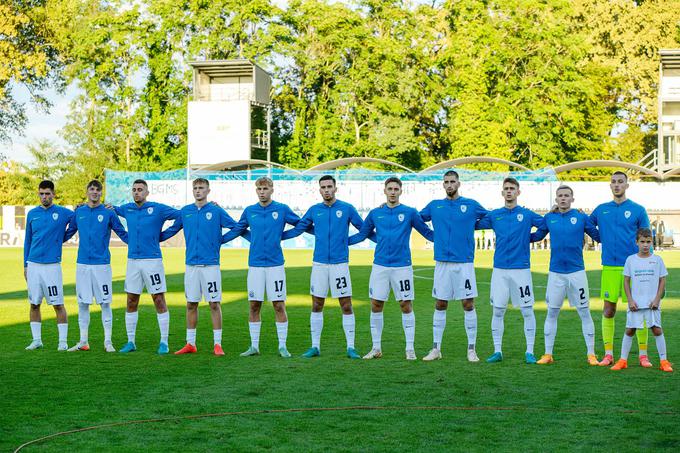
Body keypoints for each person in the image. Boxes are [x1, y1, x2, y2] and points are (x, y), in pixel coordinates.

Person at [281, 175, 366, 359]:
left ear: (336, 188)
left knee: (346, 304)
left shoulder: (347, 209)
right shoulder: (314, 210)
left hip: (340, 264)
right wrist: (276, 236)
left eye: (329, 186)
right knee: (317, 304)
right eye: (323, 187)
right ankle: (315, 347)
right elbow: (299, 229)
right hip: (319, 264)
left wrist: (346, 242)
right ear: (319, 190)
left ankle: (351, 347)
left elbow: (364, 229)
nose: (326, 190)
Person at [349, 177, 434, 360]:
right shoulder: (375, 213)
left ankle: (410, 348)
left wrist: (447, 239)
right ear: (385, 190)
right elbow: (363, 234)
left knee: (405, 304)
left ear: (401, 191)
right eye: (390, 188)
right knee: (376, 304)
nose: (393, 191)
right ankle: (376, 348)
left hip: (402, 266)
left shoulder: (410, 212)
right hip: (380, 265)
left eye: (396, 188)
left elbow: (426, 232)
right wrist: (342, 243)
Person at [160, 178, 244, 356]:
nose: (198, 191)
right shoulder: (186, 211)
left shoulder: (216, 211)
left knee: (214, 303)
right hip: (191, 266)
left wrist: (220, 241)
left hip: (210, 266)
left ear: (208, 190)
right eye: (195, 188)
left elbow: (236, 227)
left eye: (201, 188)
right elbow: (172, 230)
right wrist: (154, 238)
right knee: (191, 303)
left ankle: (218, 344)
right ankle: (190, 343)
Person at [222, 176, 301, 358]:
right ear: (256, 190)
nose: (262, 192)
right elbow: (238, 229)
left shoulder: (281, 209)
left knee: (279, 305)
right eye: (259, 189)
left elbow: (301, 225)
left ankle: (282, 346)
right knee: (254, 305)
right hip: (255, 265)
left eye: (265, 189)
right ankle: (254, 346)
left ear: (272, 189)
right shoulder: (250, 211)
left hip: (275, 265)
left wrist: (281, 237)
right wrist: (220, 240)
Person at [419, 170, 488, 362]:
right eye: (446, 182)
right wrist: (432, 236)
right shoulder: (435, 206)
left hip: (464, 263)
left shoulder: (471, 205)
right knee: (440, 303)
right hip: (442, 263)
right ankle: (435, 349)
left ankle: (471, 349)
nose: (449, 185)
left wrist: (470, 227)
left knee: (468, 304)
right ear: (443, 185)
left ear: (459, 184)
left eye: (452, 182)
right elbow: (415, 219)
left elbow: (490, 219)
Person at [530, 185, 600, 365]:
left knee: (584, 311)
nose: (563, 198)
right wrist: (514, 235)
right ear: (556, 199)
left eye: (566, 196)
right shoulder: (549, 218)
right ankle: (547, 354)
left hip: (577, 272)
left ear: (572, 199)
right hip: (556, 274)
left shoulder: (581, 217)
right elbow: (537, 236)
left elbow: (598, 236)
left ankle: (591, 354)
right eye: (560, 196)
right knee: (552, 312)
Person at [476, 177, 544, 364]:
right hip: (499, 270)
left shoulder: (527, 214)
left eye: (512, 188)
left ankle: (529, 352)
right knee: (498, 311)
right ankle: (498, 351)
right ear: (502, 192)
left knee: (527, 310)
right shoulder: (495, 215)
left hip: (521, 270)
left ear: (518, 192)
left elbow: (545, 225)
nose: (509, 191)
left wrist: (530, 238)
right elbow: (473, 224)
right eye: (506, 188)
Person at [590, 171, 650, 366]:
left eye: (620, 182)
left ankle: (643, 355)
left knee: (639, 309)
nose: (617, 185)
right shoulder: (601, 210)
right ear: (610, 186)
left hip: (634, 267)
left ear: (627, 185)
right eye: (614, 182)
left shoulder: (638, 210)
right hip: (610, 267)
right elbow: (587, 225)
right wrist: (602, 239)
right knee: (609, 310)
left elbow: (646, 236)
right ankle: (608, 354)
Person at [113, 179, 180, 354]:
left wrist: (163, 235)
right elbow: (110, 209)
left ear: (147, 192)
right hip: (133, 261)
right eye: (134, 189)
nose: (137, 192)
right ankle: (131, 341)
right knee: (131, 300)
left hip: (153, 261)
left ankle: (164, 342)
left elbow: (181, 216)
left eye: (140, 189)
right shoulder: (127, 208)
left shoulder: (158, 209)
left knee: (158, 299)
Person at [68, 180, 128, 352]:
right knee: (82, 303)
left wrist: (140, 242)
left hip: (102, 265)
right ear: (87, 192)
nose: (94, 192)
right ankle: (83, 341)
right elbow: (68, 232)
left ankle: (108, 341)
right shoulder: (79, 212)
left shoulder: (108, 213)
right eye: (91, 189)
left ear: (101, 193)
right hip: (83, 265)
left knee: (105, 302)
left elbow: (122, 233)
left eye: (97, 190)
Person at [23, 180, 76, 351]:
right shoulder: (32, 214)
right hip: (33, 265)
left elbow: (76, 221)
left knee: (58, 304)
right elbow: (28, 241)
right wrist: (25, 264)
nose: (44, 197)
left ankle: (62, 342)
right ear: (38, 194)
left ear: (53, 194)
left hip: (52, 266)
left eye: (47, 193)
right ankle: (37, 340)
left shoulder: (63, 213)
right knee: (34, 303)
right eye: (41, 194)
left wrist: (63, 237)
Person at [611, 228, 672, 372]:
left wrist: (657, 299)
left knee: (657, 330)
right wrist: (630, 300)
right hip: (636, 304)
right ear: (636, 242)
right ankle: (622, 360)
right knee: (630, 330)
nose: (645, 245)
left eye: (648, 242)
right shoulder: (631, 260)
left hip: (652, 304)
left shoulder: (657, 260)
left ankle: (664, 361)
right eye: (642, 242)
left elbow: (662, 280)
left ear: (652, 242)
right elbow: (626, 281)